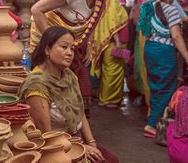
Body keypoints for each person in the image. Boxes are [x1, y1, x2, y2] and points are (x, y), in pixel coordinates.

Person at [30, 0, 128, 113]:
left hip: (70, 41)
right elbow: (36, 9)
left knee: (75, 85)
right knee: (47, 81)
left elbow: (91, 22)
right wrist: (53, 43)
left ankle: (71, 126)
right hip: (47, 34)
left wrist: (87, 41)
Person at [19, 26, 119, 163]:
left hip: (76, 139)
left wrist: (91, 143)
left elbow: (80, 112)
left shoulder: (69, 75)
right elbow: (46, 135)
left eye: (72, 48)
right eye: (64, 47)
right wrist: (81, 147)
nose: (70, 53)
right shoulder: (36, 85)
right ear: (47, 50)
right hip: (54, 147)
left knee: (111, 159)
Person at [137, 0, 188, 137]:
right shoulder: (171, 10)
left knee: (156, 86)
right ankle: (151, 124)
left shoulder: (151, 7)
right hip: (164, 51)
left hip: (150, 49)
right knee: (167, 88)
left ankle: (152, 116)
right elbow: (176, 37)